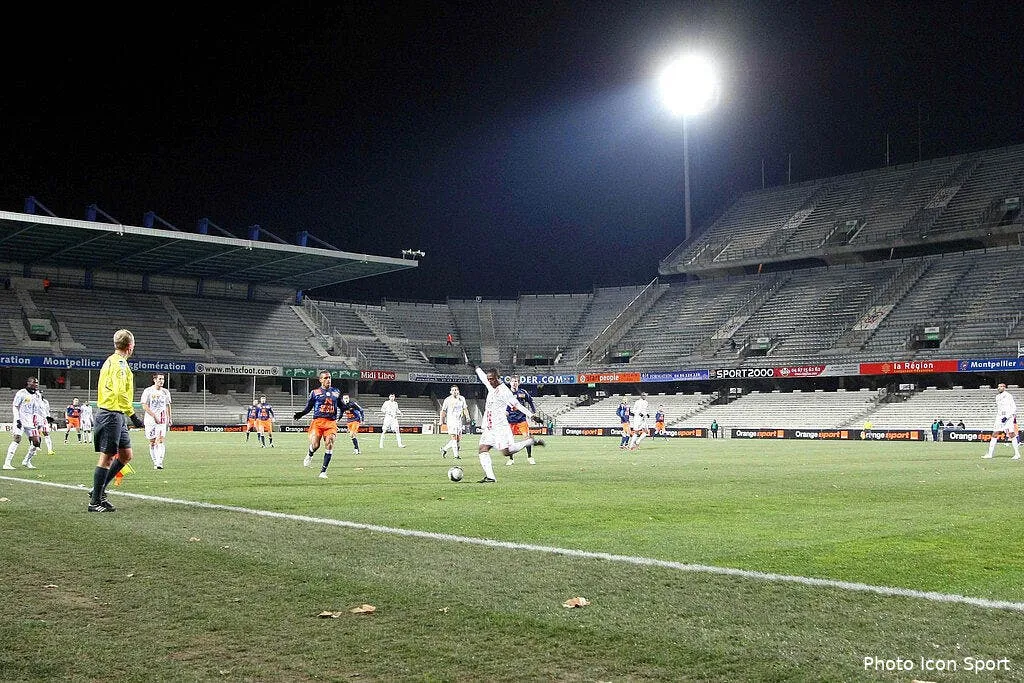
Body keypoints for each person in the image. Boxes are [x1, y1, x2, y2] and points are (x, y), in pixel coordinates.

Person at [88, 329, 143, 512]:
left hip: (116, 414)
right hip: (111, 413)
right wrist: (133, 415)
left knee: (126, 455)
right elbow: (120, 392)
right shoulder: (118, 364)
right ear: (130, 346)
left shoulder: (113, 361)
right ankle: (95, 501)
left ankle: (99, 489)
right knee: (107, 457)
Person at [474, 367, 545, 483]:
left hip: (501, 427)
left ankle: (529, 442)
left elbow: (517, 405)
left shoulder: (504, 391)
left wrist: (531, 415)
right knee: (483, 448)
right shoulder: (491, 387)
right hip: (489, 428)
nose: (490, 381)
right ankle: (490, 477)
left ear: (498, 378)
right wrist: (477, 368)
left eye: (492, 379)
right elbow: (483, 379)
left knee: (506, 452)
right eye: (489, 379)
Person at [294, 371, 341, 478]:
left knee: (329, 443)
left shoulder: (336, 392)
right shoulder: (315, 392)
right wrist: (301, 414)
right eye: (325, 378)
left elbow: (341, 406)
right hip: (318, 422)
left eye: (329, 377)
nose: (328, 380)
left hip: (330, 422)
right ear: (320, 380)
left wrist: (343, 412)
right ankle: (310, 454)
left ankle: (323, 471)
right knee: (315, 445)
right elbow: (309, 407)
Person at [3, 377, 45, 470]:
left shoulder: (37, 395)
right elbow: (15, 406)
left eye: (37, 383)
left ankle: (26, 461)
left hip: (31, 422)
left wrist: (40, 420)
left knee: (36, 441)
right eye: (34, 382)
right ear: (29, 383)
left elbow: (38, 409)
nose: (36, 384)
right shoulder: (21, 393)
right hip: (21, 420)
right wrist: (17, 419)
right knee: (17, 439)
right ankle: (7, 463)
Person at [141, 373, 172, 469]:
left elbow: (168, 405)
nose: (161, 381)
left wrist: (170, 418)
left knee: (160, 440)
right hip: (150, 419)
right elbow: (144, 405)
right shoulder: (148, 391)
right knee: (152, 441)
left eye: (163, 379)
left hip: (162, 418)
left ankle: (159, 462)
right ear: (154, 380)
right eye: (160, 379)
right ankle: (155, 461)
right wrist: (153, 415)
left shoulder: (165, 392)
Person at [505, 377, 538, 465]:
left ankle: (530, 457)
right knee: (509, 440)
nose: (514, 383)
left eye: (516, 381)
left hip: (521, 419)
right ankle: (511, 459)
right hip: (510, 420)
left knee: (527, 438)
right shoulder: (506, 393)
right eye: (512, 381)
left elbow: (531, 401)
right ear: (510, 383)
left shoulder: (523, 392)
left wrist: (534, 412)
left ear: (518, 383)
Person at [984, 383, 1020, 460]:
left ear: (1004, 388)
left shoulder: (1008, 396)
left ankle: (1017, 454)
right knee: (994, 433)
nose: (999, 388)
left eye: (1001, 386)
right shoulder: (997, 397)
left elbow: (1013, 407)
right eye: (998, 387)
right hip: (999, 417)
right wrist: (999, 416)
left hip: (1008, 417)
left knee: (1011, 434)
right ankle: (990, 454)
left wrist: (1007, 416)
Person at [440, 385, 469, 459]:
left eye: (456, 390)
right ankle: (456, 456)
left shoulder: (462, 399)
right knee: (454, 437)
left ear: (458, 391)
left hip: (459, 421)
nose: (455, 391)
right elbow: (443, 410)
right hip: (451, 420)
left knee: (458, 439)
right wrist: (441, 420)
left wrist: (467, 416)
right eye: (453, 390)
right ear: (450, 392)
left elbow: (465, 408)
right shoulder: (447, 400)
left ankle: (444, 449)